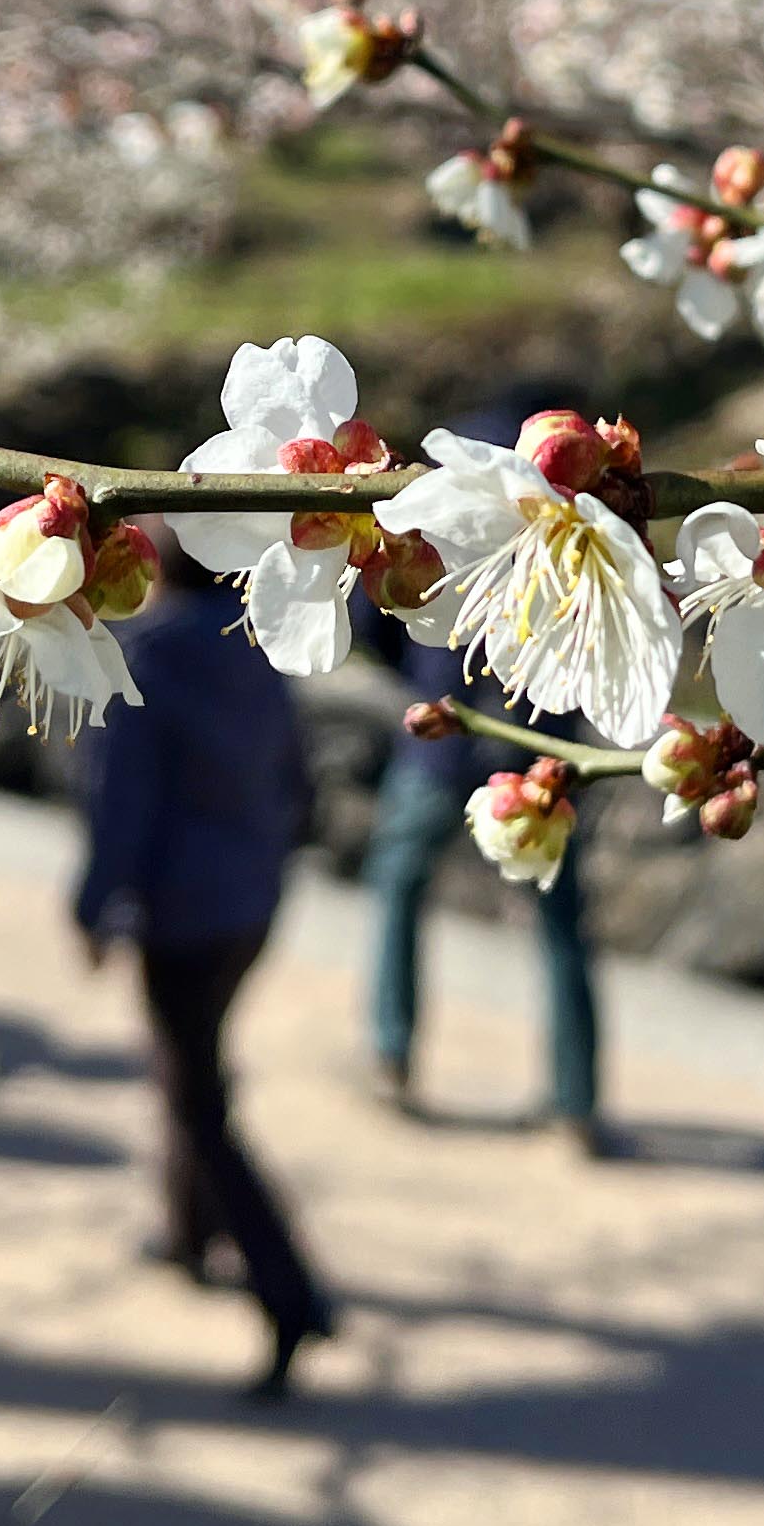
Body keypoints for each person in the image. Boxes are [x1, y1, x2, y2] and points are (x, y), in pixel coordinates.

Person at [78, 532, 335, 1398]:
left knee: (197, 1096)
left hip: (182, 915)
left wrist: (92, 905)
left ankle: (290, 1298)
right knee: (190, 1065)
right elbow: (299, 785)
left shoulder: (147, 652)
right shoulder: (258, 640)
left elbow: (122, 799)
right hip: (253, 902)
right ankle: (187, 1235)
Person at [363, 642, 606, 1154]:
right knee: (560, 921)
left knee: (399, 885)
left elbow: (383, 619)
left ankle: (392, 1053)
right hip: (517, 740)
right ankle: (575, 1102)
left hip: (471, 742)